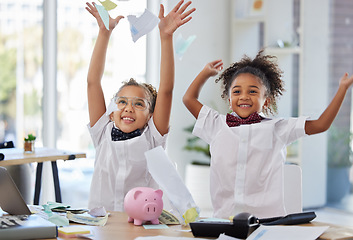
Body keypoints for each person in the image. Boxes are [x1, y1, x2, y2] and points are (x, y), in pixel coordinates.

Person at [183, 50, 353, 219]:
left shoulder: (277, 128)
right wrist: (205, 73)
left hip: (269, 221)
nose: (244, 97)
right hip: (225, 220)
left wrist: (343, 89)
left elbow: (320, 125)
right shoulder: (217, 125)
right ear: (229, 101)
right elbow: (188, 99)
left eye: (252, 91)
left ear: (266, 101)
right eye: (236, 92)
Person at [85, 1, 195, 212]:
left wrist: (166, 37)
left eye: (139, 104)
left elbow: (166, 90)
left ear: (150, 115)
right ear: (112, 111)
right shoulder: (102, 131)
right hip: (101, 223)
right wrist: (104, 33)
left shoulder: (153, 137)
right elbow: (92, 82)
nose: (128, 108)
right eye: (122, 102)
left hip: (143, 224)